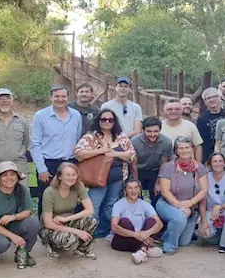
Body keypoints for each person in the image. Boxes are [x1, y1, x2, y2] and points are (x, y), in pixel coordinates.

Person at [74, 108, 136, 238]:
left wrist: (114, 153)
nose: (107, 122)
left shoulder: (120, 136)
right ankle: (91, 232)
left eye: (110, 119)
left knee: (110, 205)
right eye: (103, 119)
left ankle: (104, 231)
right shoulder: (91, 137)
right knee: (94, 205)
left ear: (114, 122)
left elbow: (131, 154)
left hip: (117, 178)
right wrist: (101, 150)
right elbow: (78, 153)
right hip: (96, 179)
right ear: (98, 120)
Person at [31, 85, 83, 214]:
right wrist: (41, 168)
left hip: (70, 163)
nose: (60, 99)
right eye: (57, 96)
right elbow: (35, 143)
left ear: (68, 97)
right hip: (48, 164)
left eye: (63, 96)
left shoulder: (75, 115)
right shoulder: (40, 116)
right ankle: (44, 229)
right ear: (51, 98)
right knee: (46, 198)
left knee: (71, 197)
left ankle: (68, 227)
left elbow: (77, 138)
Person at [0, 162, 40, 268]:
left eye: (12, 174)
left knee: (33, 223)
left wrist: (13, 217)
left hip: (14, 223)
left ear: (17, 177)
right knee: (2, 243)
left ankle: (23, 252)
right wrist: (13, 236)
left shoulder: (22, 190)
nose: (9, 178)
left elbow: (28, 211)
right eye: (4, 175)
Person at [155, 137, 208, 254]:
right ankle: (169, 247)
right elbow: (164, 191)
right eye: (181, 148)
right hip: (167, 204)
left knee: (184, 242)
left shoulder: (200, 167)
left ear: (192, 149)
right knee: (179, 218)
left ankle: (165, 237)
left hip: (191, 207)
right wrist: (180, 206)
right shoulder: (167, 167)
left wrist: (190, 203)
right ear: (176, 151)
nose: (184, 151)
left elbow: (204, 190)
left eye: (187, 147)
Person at [38, 162, 98, 260]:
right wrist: (77, 231)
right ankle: (52, 247)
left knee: (91, 221)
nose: (71, 178)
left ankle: (82, 249)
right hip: (50, 227)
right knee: (70, 240)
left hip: (67, 220)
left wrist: (67, 218)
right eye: (68, 175)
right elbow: (48, 223)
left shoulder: (79, 186)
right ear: (60, 177)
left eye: (74, 175)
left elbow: (90, 210)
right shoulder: (49, 192)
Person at [110, 179, 164, 263]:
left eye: (136, 187)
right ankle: (145, 249)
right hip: (122, 240)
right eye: (130, 188)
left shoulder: (145, 204)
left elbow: (160, 224)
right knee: (124, 221)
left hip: (141, 236)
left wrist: (147, 233)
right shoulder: (119, 204)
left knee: (152, 221)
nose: (133, 191)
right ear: (125, 190)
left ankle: (141, 251)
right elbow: (114, 227)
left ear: (139, 190)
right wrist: (136, 235)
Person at [198, 153, 225, 253]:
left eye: (220, 161)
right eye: (215, 161)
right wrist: (203, 220)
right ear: (210, 164)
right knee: (205, 233)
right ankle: (217, 236)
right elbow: (202, 200)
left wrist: (219, 207)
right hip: (210, 210)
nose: (218, 164)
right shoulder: (205, 178)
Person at [130, 116, 173, 206]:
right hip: (139, 170)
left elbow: (164, 164)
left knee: (156, 195)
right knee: (138, 194)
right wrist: (136, 183)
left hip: (156, 171)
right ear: (143, 130)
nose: (152, 134)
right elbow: (133, 165)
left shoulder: (166, 142)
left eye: (156, 131)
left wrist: (158, 183)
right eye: (149, 131)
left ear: (160, 130)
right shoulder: (134, 141)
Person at [196, 87, 225, 161]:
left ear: (219, 98)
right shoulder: (202, 119)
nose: (212, 100)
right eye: (208, 98)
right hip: (209, 156)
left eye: (214, 97)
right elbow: (202, 142)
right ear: (205, 102)